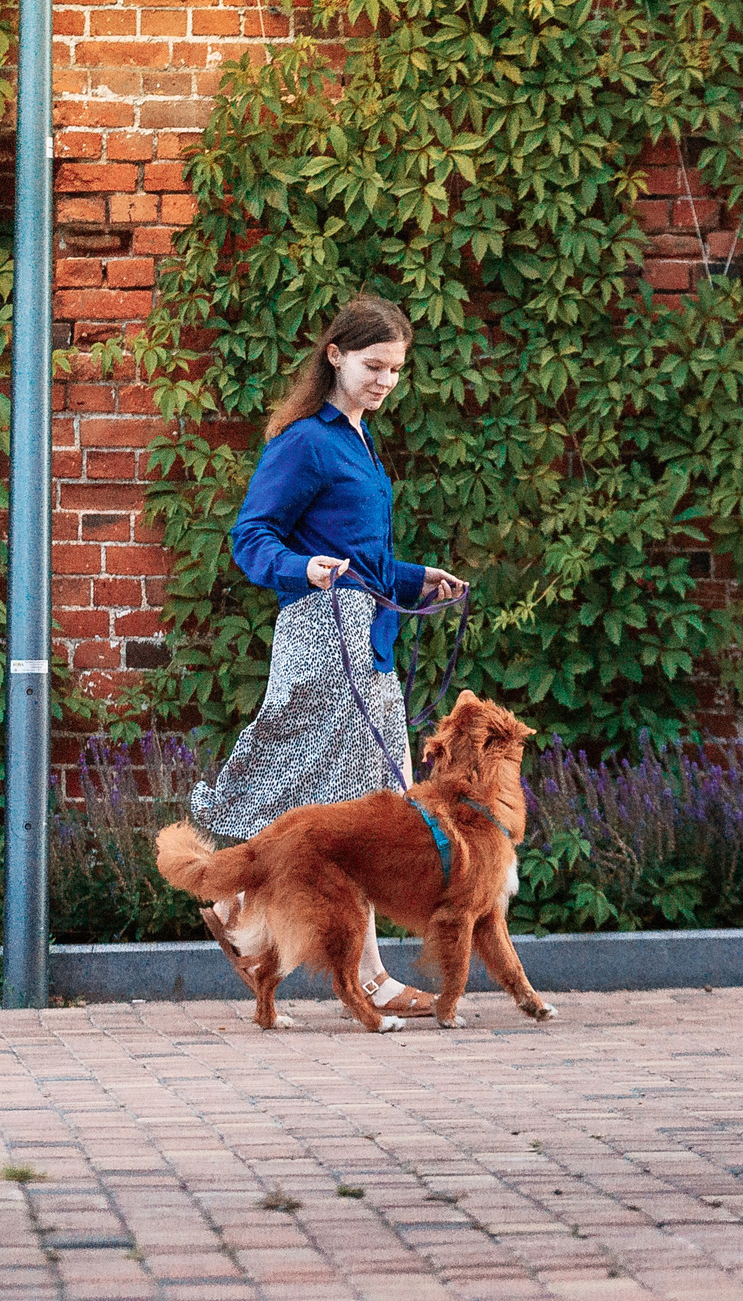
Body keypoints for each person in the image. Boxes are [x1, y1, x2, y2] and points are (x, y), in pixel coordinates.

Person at [190, 293, 467, 1019]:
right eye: (375, 365)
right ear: (335, 354)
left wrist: (415, 577)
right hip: (322, 639)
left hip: (365, 636)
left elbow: (363, 554)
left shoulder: (359, 437)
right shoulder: (306, 441)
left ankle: (240, 908)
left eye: (397, 370)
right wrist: (300, 569)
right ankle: (345, 965)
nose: (386, 381)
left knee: (361, 809)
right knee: (360, 812)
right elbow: (252, 537)